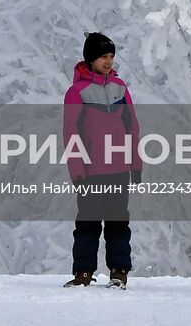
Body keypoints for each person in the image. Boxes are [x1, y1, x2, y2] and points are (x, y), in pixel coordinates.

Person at [61, 31, 140, 289]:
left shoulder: (120, 88)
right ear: (90, 59)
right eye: (103, 57)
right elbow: (70, 133)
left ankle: (119, 271)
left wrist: (136, 164)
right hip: (90, 171)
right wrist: (77, 171)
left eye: (112, 56)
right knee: (88, 222)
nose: (109, 61)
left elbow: (132, 128)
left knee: (118, 221)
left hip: (119, 169)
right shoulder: (77, 92)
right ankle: (83, 272)